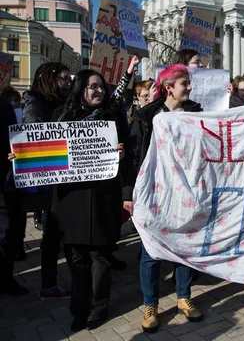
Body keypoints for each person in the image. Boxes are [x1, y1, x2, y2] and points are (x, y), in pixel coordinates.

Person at [49, 57, 136, 331]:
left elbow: (128, 157)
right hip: (71, 199)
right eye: (92, 87)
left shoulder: (111, 117)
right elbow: (43, 148)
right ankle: (79, 308)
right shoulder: (60, 116)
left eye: (101, 86)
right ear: (80, 89)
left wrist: (120, 155)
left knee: (100, 256)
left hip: (102, 198)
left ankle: (99, 308)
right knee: (76, 258)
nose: (99, 91)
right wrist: (23, 158)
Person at [125, 64, 203, 333]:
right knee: (151, 251)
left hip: (186, 193)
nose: (189, 88)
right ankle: (151, 305)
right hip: (154, 193)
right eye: (185, 83)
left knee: (182, 248)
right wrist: (128, 193)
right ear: (169, 88)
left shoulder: (197, 113)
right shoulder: (147, 116)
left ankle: (184, 297)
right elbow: (134, 158)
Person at [19, 62, 73, 300]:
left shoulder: (62, 100)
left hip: (66, 176)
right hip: (49, 180)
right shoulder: (37, 102)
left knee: (62, 232)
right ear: (49, 79)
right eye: (63, 79)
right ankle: (48, 285)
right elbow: (35, 138)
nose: (67, 83)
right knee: (53, 234)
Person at [0, 95, 28, 296]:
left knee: (7, 234)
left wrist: (12, 152)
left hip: (6, 181)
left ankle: (5, 279)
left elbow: (11, 136)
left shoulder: (3, 105)